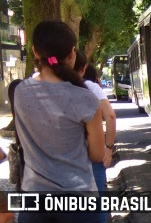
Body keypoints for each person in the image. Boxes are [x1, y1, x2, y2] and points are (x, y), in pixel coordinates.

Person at [14, 20, 104, 223]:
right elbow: (98, 154)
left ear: (35, 51)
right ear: (72, 53)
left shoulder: (20, 92)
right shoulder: (86, 98)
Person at [74, 50, 116, 223]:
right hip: (93, 155)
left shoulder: (41, 87)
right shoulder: (90, 87)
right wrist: (109, 148)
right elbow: (111, 116)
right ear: (84, 68)